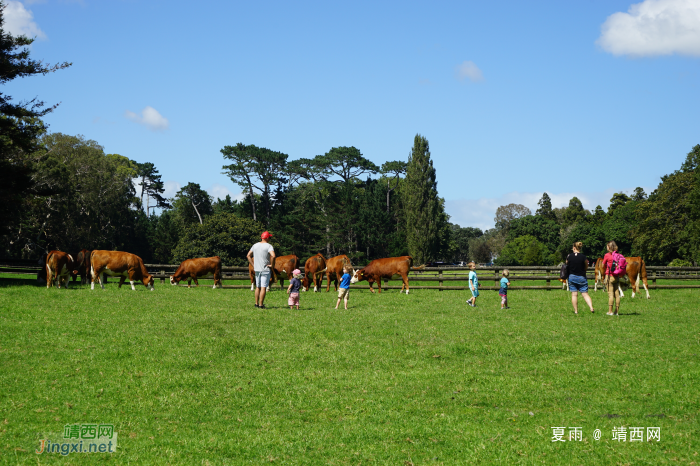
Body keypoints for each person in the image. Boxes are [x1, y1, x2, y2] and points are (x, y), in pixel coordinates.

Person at [246, 231, 276, 309]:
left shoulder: (255, 245)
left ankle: (256, 303)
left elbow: (248, 256)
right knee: (263, 287)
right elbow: (273, 256)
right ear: (267, 238)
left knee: (257, 287)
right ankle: (261, 305)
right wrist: (272, 265)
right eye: (269, 237)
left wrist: (253, 265)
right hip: (265, 269)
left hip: (257, 269)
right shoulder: (269, 246)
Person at [566, 241, 595, 315]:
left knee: (574, 294)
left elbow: (567, 263)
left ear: (574, 248)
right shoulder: (583, 257)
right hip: (581, 277)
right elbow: (586, 265)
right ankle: (591, 307)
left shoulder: (569, 256)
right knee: (585, 294)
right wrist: (584, 270)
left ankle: (576, 311)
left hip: (572, 276)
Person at [601, 240, 621, 316]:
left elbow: (603, 265)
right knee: (617, 295)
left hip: (609, 276)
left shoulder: (607, 255)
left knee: (610, 295)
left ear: (609, 247)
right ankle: (616, 311)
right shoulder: (618, 255)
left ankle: (610, 311)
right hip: (617, 276)